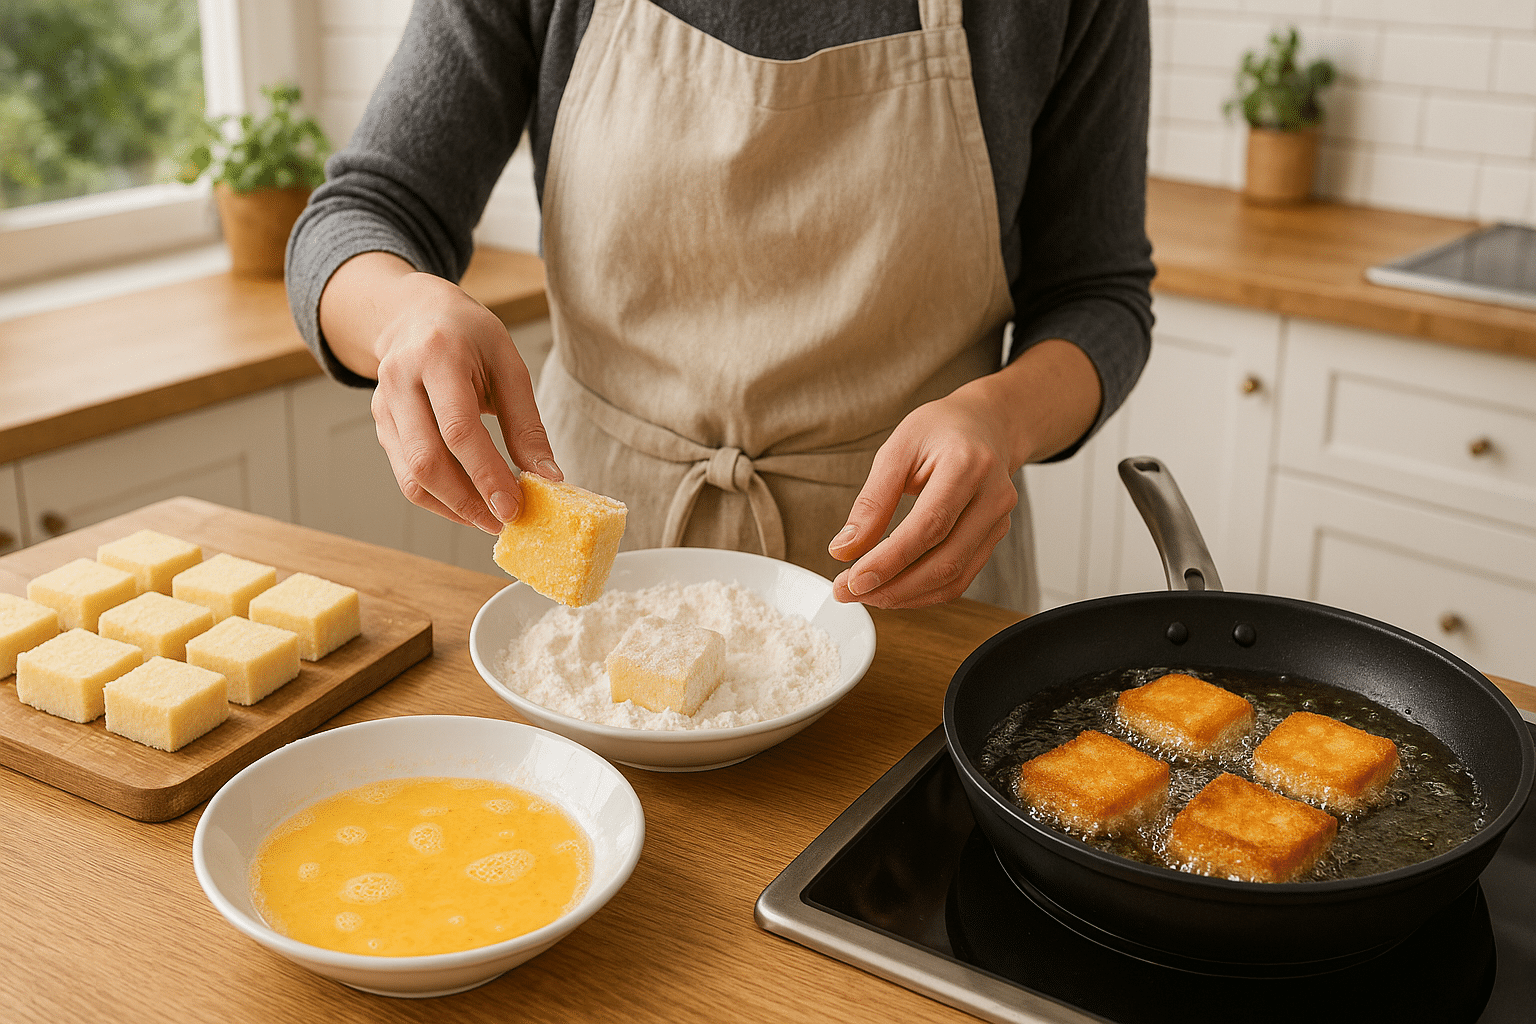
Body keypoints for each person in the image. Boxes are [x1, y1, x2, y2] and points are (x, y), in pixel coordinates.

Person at [286, 0, 1154, 613]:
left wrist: (998, 422)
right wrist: (401, 311)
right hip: (597, 592)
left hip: (910, 587)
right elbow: (363, 214)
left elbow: (1096, 294)